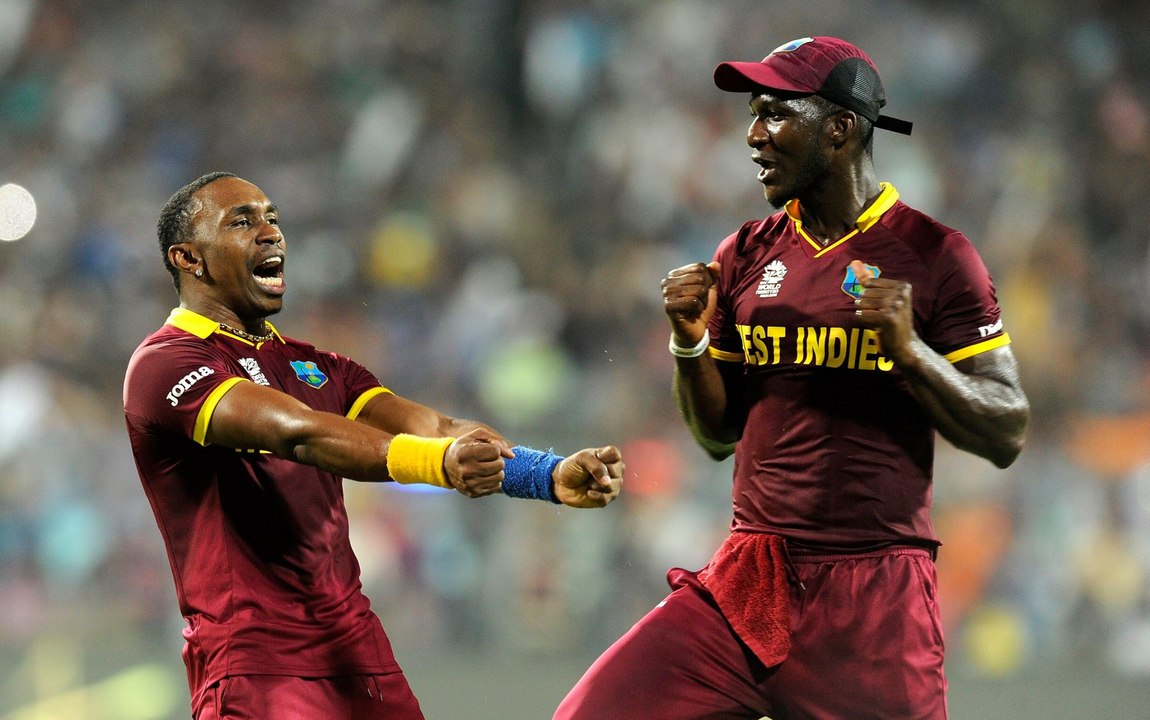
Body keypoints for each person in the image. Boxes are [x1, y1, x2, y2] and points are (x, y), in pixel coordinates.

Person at [555, 36, 1029, 720]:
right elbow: (718, 436)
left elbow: (1006, 429)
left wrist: (913, 355)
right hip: (751, 580)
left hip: (873, 599)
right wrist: (689, 346)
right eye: (753, 113)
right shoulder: (746, 252)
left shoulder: (935, 255)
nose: (752, 136)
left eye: (775, 114)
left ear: (838, 128)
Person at [123, 171, 624, 720]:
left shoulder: (318, 366)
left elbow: (433, 427)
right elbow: (297, 432)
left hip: (360, 653)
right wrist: (439, 466)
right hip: (256, 663)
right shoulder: (164, 364)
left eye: (272, 218)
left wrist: (546, 475)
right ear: (187, 258)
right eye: (242, 222)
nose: (271, 233)